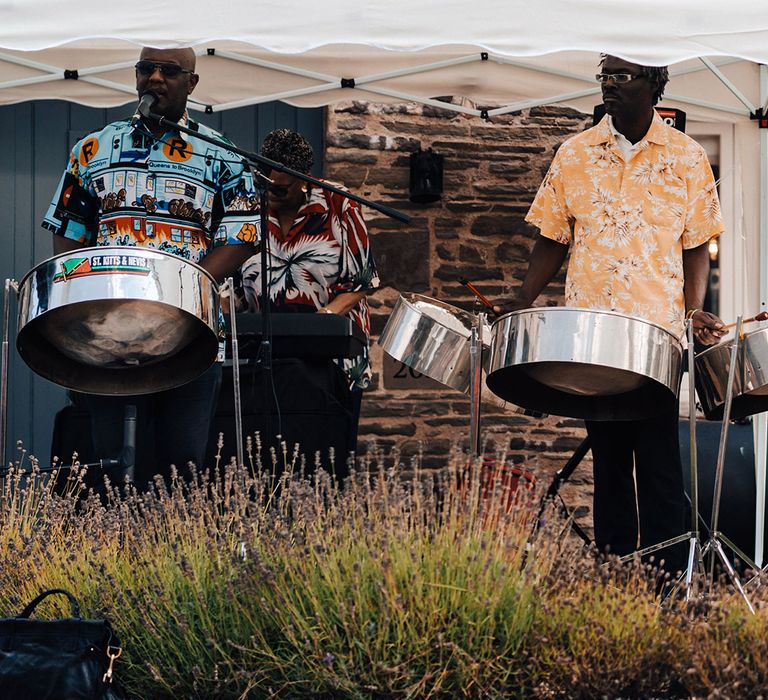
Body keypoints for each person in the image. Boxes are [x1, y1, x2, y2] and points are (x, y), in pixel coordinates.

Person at [495, 54, 726, 573]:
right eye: (605, 76)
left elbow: (695, 245)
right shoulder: (574, 153)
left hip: (656, 339)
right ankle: (616, 586)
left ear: (653, 84)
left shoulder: (687, 158)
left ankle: (669, 589)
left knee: (662, 471)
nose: (609, 86)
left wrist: (694, 312)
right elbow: (553, 237)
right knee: (611, 473)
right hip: (594, 339)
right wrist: (523, 299)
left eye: (621, 76)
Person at [42, 47, 258, 486]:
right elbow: (68, 232)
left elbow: (243, 236)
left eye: (169, 71)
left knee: (183, 463)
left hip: (188, 328)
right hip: (110, 330)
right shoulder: (93, 148)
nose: (155, 78)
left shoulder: (223, 154)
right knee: (113, 462)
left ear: (191, 83)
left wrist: (182, 291)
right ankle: (121, 546)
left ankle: (173, 548)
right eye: (147, 69)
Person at [231, 128, 379, 468]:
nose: (271, 191)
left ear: (304, 179)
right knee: (265, 460)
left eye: (280, 187)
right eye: (265, 181)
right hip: (265, 358)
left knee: (325, 462)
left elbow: (360, 281)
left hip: (330, 360)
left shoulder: (339, 205)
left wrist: (320, 324)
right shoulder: (249, 210)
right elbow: (236, 289)